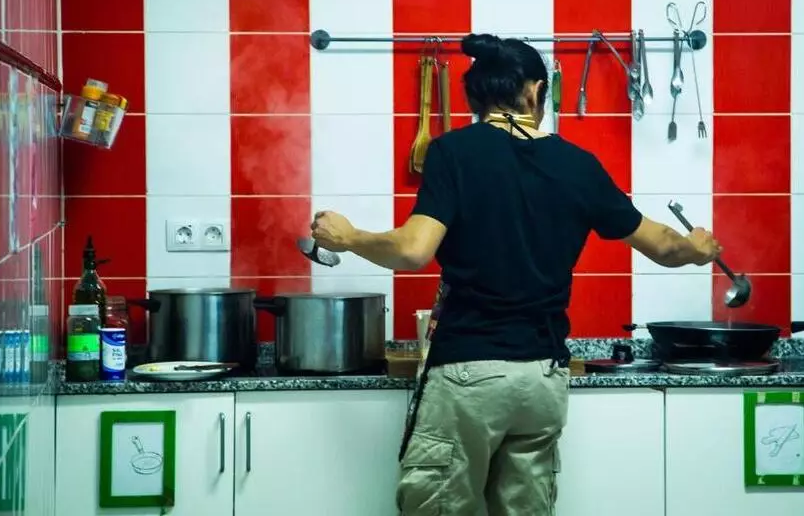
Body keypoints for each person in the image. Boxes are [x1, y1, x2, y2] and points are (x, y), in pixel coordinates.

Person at [309, 33, 721, 516]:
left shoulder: (454, 152)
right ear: (535, 91)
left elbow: (413, 250)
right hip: (542, 378)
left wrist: (349, 237)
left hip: (469, 371)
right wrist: (697, 249)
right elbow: (665, 246)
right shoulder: (578, 165)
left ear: (474, 98)